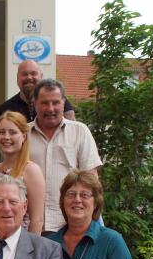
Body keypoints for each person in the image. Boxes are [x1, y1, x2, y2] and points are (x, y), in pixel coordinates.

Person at [28, 79, 102, 234]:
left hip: (70, 227)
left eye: (55, 102)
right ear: (34, 103)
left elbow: (91, 181)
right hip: (31, 228)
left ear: (63, 102)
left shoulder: (79, 131)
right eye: (44, 103)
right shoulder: (22, 134)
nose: (50, 108)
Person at [0, 110, 45, 235]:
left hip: (20, 242)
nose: (6, 137)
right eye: (2, 132)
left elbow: (37, 219)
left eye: (13, 132)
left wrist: (29, 250)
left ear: (24, 136)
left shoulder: (31, 170)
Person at [0, 60, 75, 123]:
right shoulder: (4, 109)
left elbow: (71, 132)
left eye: (33, 73)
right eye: (24, 74)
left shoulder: (62, 104)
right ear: (17, 79)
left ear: (41, 77)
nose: (29, 77)